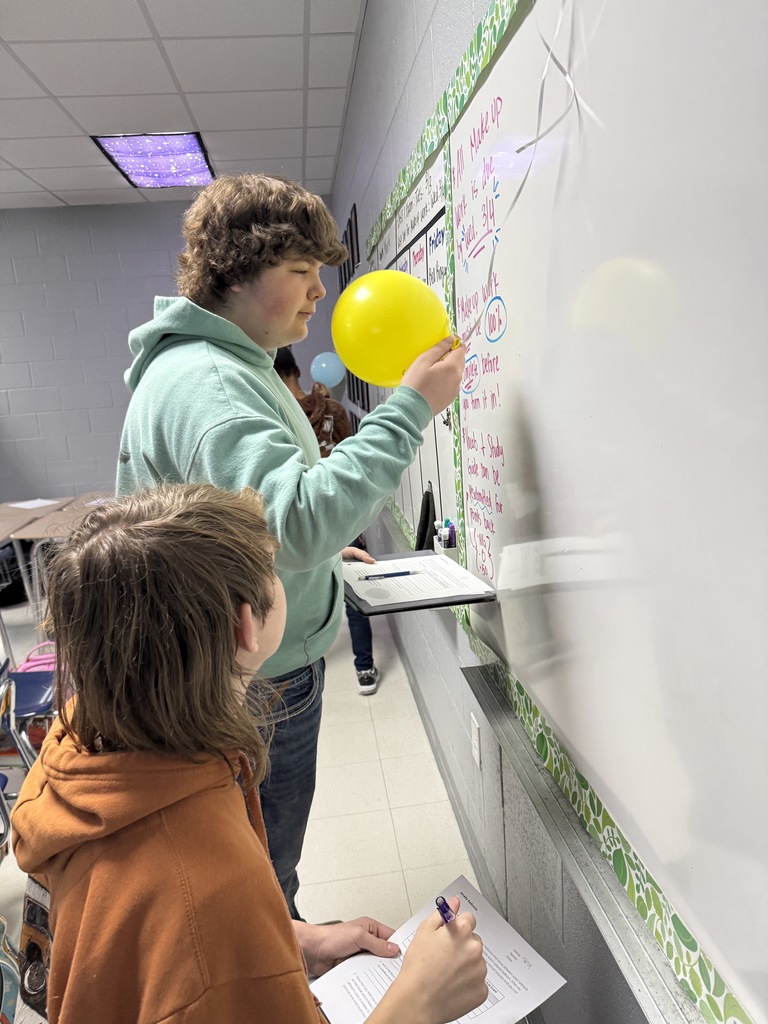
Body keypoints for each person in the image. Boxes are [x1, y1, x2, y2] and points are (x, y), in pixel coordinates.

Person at [115, 173, 465, 918]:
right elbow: (293, 523)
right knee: (260, 873)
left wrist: (323, 557)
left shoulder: (228, 369)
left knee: (254, 860)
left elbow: (237, 517)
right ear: (237, 273)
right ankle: (278, 972)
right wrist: (409, 412)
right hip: (254, 680)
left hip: (248, 662)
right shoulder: (210, 384)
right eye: (300, 272)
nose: (318, 293)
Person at [10, 484, 488, 1024]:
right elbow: (191, 928)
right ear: (245, 623)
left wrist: (281, 941)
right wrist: (418, 1002)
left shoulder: (77, 744)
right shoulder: (207, 886)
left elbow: (143, 941)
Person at [273, 345, 379, 695]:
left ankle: (293, 654)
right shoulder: (331, 408)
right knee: (352, 587)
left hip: (297, 518)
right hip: (340, 511)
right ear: (298, 370)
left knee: (294, 587)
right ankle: (364, 667)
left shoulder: (276, 416)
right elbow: (353, 460)